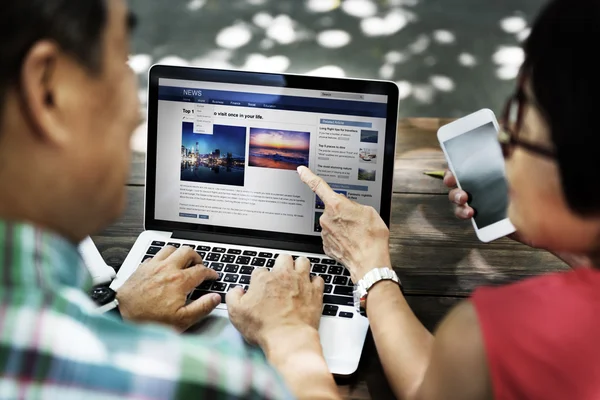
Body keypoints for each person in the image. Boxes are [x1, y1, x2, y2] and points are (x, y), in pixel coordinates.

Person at [0, 0, 339, 398]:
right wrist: (290, 337)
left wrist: (123, 318)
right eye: (122, 63)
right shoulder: (207, 383)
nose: (136, 114)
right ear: (49, 91)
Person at [298, 0, 600, 398]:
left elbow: (429, 388)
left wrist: (368, 268)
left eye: (519, 116)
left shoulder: (493, 336)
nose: (505, 142)